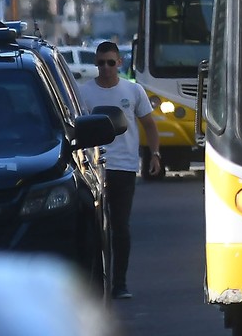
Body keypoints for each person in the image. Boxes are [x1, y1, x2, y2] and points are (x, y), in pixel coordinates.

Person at [78, 41, 160, 299]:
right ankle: (94, 284)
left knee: (120, 226)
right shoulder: (84, 92)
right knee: (93, 228)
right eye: (101, 63)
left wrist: (155, 154)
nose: (106, 68)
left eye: (111, 63)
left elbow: (149, 125)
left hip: (124, 167)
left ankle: (120, 283)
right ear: (96, 63)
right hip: (92, 168)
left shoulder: (133, 91)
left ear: (119, 63)